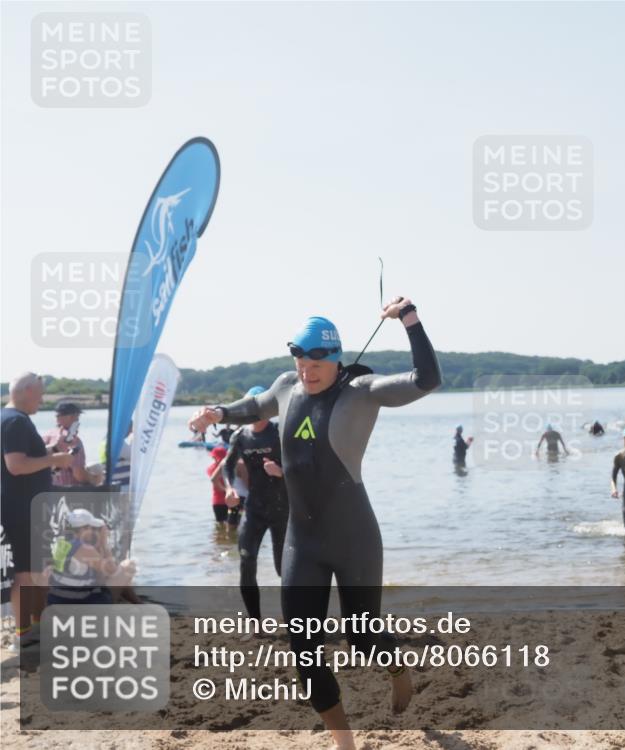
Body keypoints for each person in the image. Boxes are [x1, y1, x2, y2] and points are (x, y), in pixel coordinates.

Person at [188, 296, 440, 748]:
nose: (306, 370)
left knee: (362, 637)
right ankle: (345, 743)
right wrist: (217, 412)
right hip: (302, 541)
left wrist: (409, 319)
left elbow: (427, 379)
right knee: (304, 648)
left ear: (336, 357)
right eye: (300, 361)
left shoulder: (362, 392)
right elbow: (255, 406)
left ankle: (397, 668)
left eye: (316, 362)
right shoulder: (287, 386)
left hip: (354, 537)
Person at [2, 373, 73, 651]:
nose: (43, 400)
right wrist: (54, 459)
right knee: (25, 572)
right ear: (28, 390)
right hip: (21, 508)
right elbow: (16, 465)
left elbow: (21, 457)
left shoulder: (9, 418)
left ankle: (34, 628)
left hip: (20, 506)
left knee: (34, 570)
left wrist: (50, 451)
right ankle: (22, 635)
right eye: (41, 394)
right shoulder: (16, 421)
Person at [223, 386, 289, 624]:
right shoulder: (240, 436)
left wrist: (281, 472)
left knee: (284, 569)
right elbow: (227, 466)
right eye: (252, 409)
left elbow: (303, 465)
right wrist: (230, 488)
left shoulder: (280, 431)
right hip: (254, 509)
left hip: (283, 510)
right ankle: (255, 623)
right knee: (246, 562)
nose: (257, 414)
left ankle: (295, 618)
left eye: (262, 409)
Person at [47, 508, 135, 605]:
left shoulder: (62, 544)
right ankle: (135, 603)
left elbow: (99, 578)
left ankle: (137, 602)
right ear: (84, 529)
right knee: (129, 565)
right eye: (92, 528)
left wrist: (98, 547)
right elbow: (112, 571)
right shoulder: (84, 549)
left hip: (57, 601)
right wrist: (104, 543)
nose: (93, 532)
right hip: (77, 604)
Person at [42, 401, 100, 487]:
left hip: (49, 489)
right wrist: (95, 479)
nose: (78, 422)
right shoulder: (73, 440)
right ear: (72, 417)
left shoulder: (47, 436)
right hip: (69, 492)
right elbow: (79, 474)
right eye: (77, 418)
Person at [207, 445, 231, 526]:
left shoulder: (211, 468)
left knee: (220, 525)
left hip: (218, 501)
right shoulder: (230, 467)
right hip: (229, 500)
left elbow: (215, 481)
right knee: (231, 524)